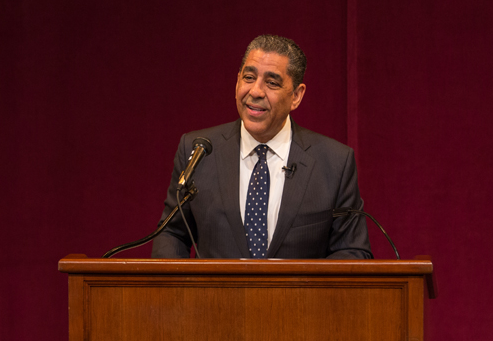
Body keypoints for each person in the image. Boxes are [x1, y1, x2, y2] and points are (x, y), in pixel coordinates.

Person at [151, 35, 372, 259]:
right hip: (214, 295)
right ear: (237, 81)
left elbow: (352, 251)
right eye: (248, 77)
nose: (255, 91)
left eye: (272, 83)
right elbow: (171, 234)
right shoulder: (198, 150)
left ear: (296, 96)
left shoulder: (334, 162)